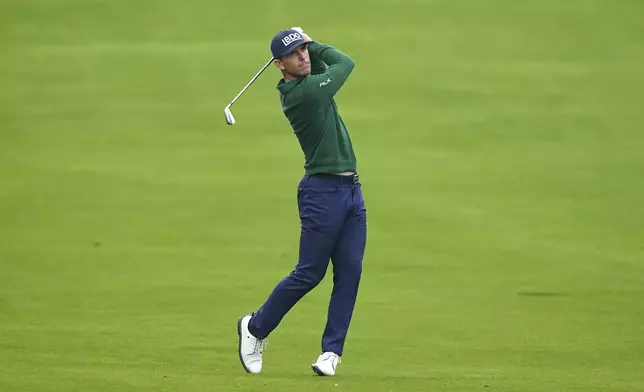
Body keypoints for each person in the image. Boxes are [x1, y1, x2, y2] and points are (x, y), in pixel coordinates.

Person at [237, 27, 367, 377]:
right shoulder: (304, 94)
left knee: (350, 272)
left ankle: (331, 353)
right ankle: (254, 328)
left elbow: (330, 67)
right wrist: (315, 41)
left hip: (351, 191)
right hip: (321, 192)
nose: (304, 56)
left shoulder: (309, 82)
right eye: (296, 54)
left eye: (305, 50)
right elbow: (345, 62)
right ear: (280, 65)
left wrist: (305, 43)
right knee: (310, 272)